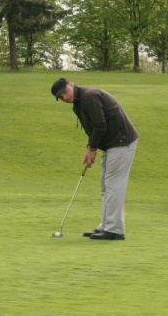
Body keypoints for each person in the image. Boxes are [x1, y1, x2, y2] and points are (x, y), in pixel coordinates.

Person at [51, 78, 138, 240]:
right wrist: (90, 147)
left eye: (65, 92)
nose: (65, 97)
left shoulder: (89, 96)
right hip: (112, 144)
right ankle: (106, 225)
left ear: (71, 84)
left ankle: (115, 229)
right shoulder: (78, 104)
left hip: (122, 141)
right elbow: (93, 129)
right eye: (61, 97)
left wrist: (92, 149)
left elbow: (100, 126)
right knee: (106, 185)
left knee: (113, 186)